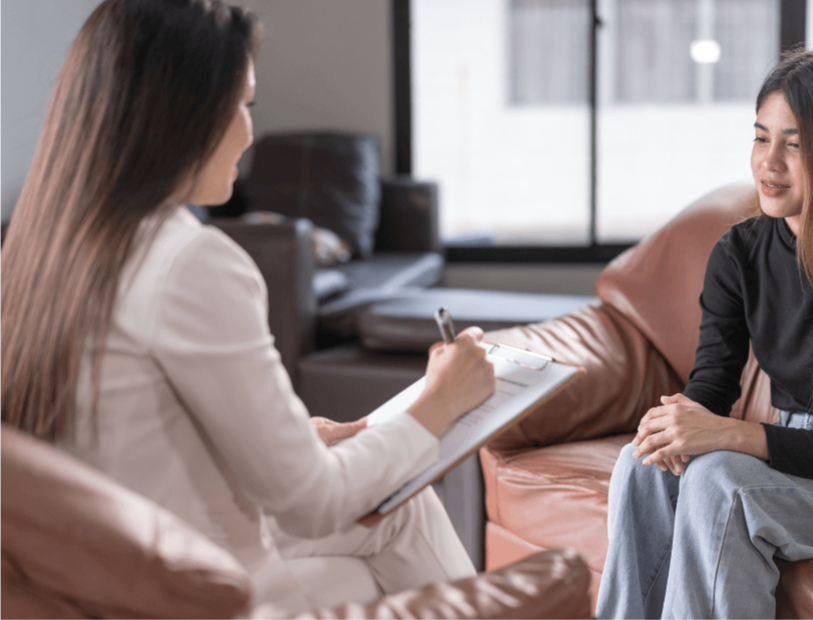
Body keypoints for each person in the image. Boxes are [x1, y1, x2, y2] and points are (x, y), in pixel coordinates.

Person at [0, 0, 495, 612]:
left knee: (399, 503)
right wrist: (438, 403)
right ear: (181, 113)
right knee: (386, 532)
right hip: (193, 587)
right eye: (242, 104)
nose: (249, 131)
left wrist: (289, 440)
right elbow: (311, 504)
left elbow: (128, 442)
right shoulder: (190, 261)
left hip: (113, 570)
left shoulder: (40, 252)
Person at [596, 49, 813, 619]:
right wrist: (677, 427)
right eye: (760, 138)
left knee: (722, 482)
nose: (768, 163)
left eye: (794, 145)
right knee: (642, 463)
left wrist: (729, 437)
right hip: (799, 457)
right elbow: (712, 382)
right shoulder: (740, 253)